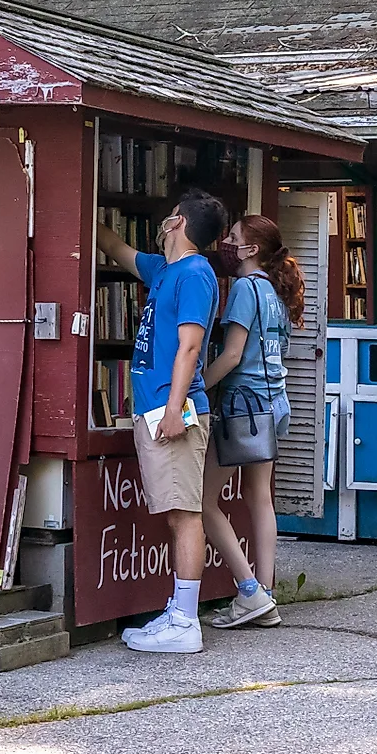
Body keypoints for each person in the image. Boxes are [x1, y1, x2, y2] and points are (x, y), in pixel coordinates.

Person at [96, 188, 229, 653]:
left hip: (171, 412)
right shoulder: (162, 270)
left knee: (184, 513)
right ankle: (177, 610)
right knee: (176, 511)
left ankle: (185, 622)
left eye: (169, 216)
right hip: (155, 409)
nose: (163, 222)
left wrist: (174, 408)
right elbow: (114, 247)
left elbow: (190, 345)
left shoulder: (194, 273)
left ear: (177, 223)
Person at [201, 213, 303, 629]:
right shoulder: (278, 291)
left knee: (203, 501)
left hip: (243, 407)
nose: (226, 242)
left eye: (234, 237)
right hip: (274, 404)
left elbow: (231, 355)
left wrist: (194, 387)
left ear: (250, 250)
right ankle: (266, 592)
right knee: (260, 498)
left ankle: (248, 592)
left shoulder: (245, 287)